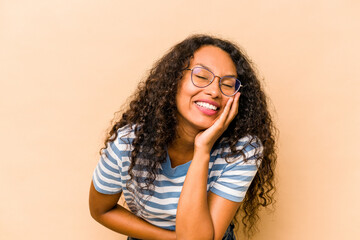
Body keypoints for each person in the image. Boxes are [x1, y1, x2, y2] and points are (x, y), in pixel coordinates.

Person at [89, 34, 277, 240]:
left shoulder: (243, 149)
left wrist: (203, 149)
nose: (214, 91)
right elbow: (102, 210)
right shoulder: (129, 143)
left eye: (228, 84)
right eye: (202, 76)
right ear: (173, 80)